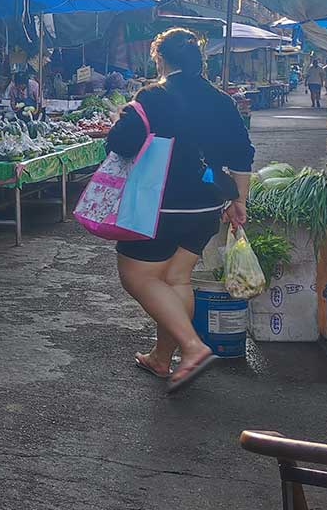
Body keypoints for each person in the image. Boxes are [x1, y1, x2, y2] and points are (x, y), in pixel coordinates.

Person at [106, 28, 255, 395]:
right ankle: (161, 357)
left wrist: (123, 115)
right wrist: (239, 201)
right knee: (176, 279)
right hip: (207, 205)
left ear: (160, 59)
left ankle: (192, 348)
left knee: (137, 277)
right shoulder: (221, 100)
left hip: (161, 204)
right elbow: (242, 152)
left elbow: (121, 142)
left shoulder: (153, 96)